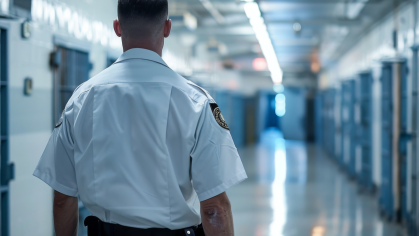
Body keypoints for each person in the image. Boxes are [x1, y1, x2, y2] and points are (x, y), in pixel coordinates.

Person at [33, 0, 247, 236]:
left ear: (117, 27)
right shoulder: (196, 102)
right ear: (167, 28)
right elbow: (214, 208)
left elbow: (63, 197)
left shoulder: (82, 98)